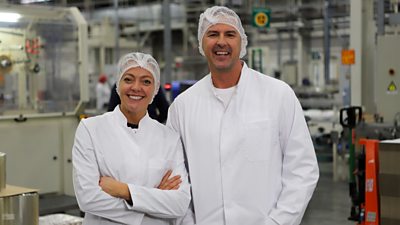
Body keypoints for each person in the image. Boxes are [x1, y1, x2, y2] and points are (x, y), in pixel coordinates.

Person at [167, 6, 319, 225]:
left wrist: (278, 222)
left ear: (242, 42)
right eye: (212, 34)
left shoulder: (278, 94)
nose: (221, 42)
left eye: (230, 34)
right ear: (201, 43)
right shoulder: (182, 106)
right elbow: (175, 178)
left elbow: (302, 169)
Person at [72, 52, 191, 225]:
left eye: (146, 81)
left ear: (155, 90)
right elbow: (88, 198)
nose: (136, 87)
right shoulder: (90, 129)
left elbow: (179, 204)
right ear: (118, 85)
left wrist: (124, 191)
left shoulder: (169, 138)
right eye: (128, 79)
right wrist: (153, 207)